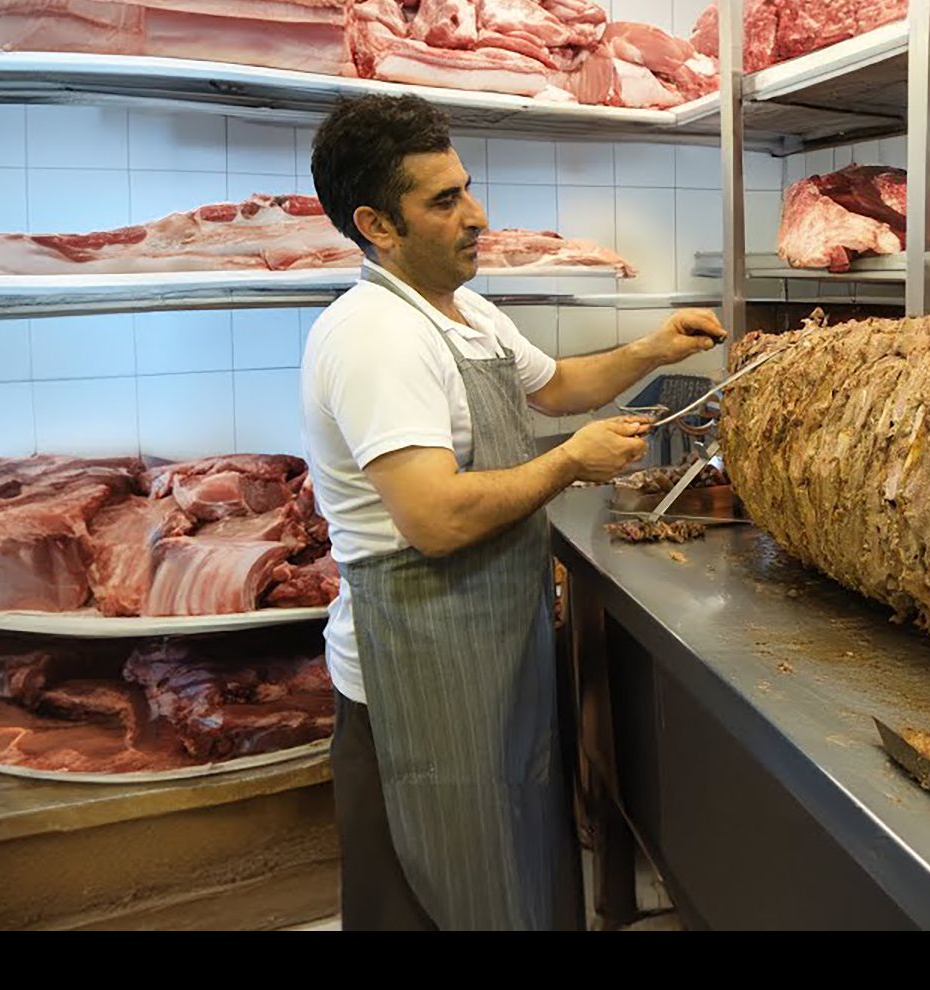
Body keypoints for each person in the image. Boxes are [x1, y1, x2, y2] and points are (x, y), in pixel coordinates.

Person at [301, 94, 725, 930]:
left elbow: (556, 386)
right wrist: (568, 461)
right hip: (414, 667)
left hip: (487, 644)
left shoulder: (464, 311)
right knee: (428, 891)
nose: (476, 214)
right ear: (376, 225)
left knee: (508, 871)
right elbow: (433, 518)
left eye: (467, 188)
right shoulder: (376, 337)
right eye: (444, 200)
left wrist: (651, 348)